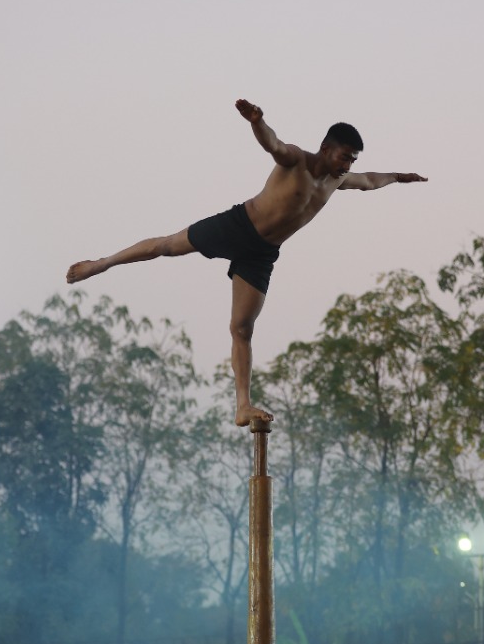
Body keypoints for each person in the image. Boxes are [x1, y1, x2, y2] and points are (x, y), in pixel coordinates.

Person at [66, 100, 427, 427]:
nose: (347, 165)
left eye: (352, 160)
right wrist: (257, 121)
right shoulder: (296, 160)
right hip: (239, 226)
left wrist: (398, 177)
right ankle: (102, 264)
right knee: (167, 245)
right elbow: (273, 144)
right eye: (344, 156)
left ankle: (242, 405)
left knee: (242, 329)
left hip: (262, 253)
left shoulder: (338, 180)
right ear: (327, 148)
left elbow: (370, 181)